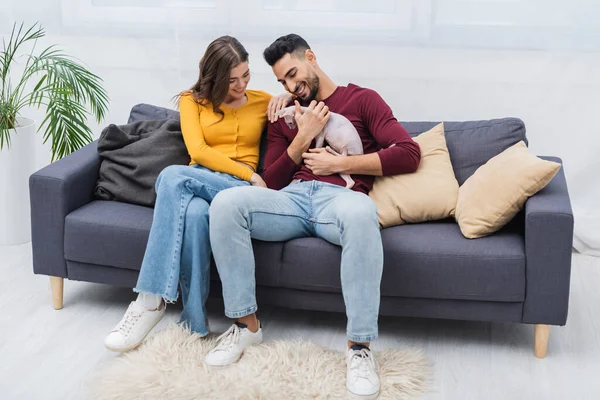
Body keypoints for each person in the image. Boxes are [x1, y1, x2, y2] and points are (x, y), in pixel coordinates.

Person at [204, 34, 421, 398]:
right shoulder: (284, 112)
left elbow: (409, 153)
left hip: (340, 199)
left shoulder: (362, 100)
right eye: (282, 81)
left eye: (293, 73)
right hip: (291, 200)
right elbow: (270, 183)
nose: (291, 86)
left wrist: (341, 163)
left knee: (362, 212)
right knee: (226, 204)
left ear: (310, 57)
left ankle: (360, 348)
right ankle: (246, 325)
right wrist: (301, 136)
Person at [104, 36, 291, 352]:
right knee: (193, 214)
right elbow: (199, 151)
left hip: (236, 189)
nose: (241, 84)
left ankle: (150, 301)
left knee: (171, 176)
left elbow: (305, 106)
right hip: (200, 180)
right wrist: (251, 173)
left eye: (245, 75)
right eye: (231, 80)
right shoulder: (192, 101)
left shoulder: (262, 100)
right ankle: (194, 324)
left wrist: (286, 97)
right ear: (214, 77)